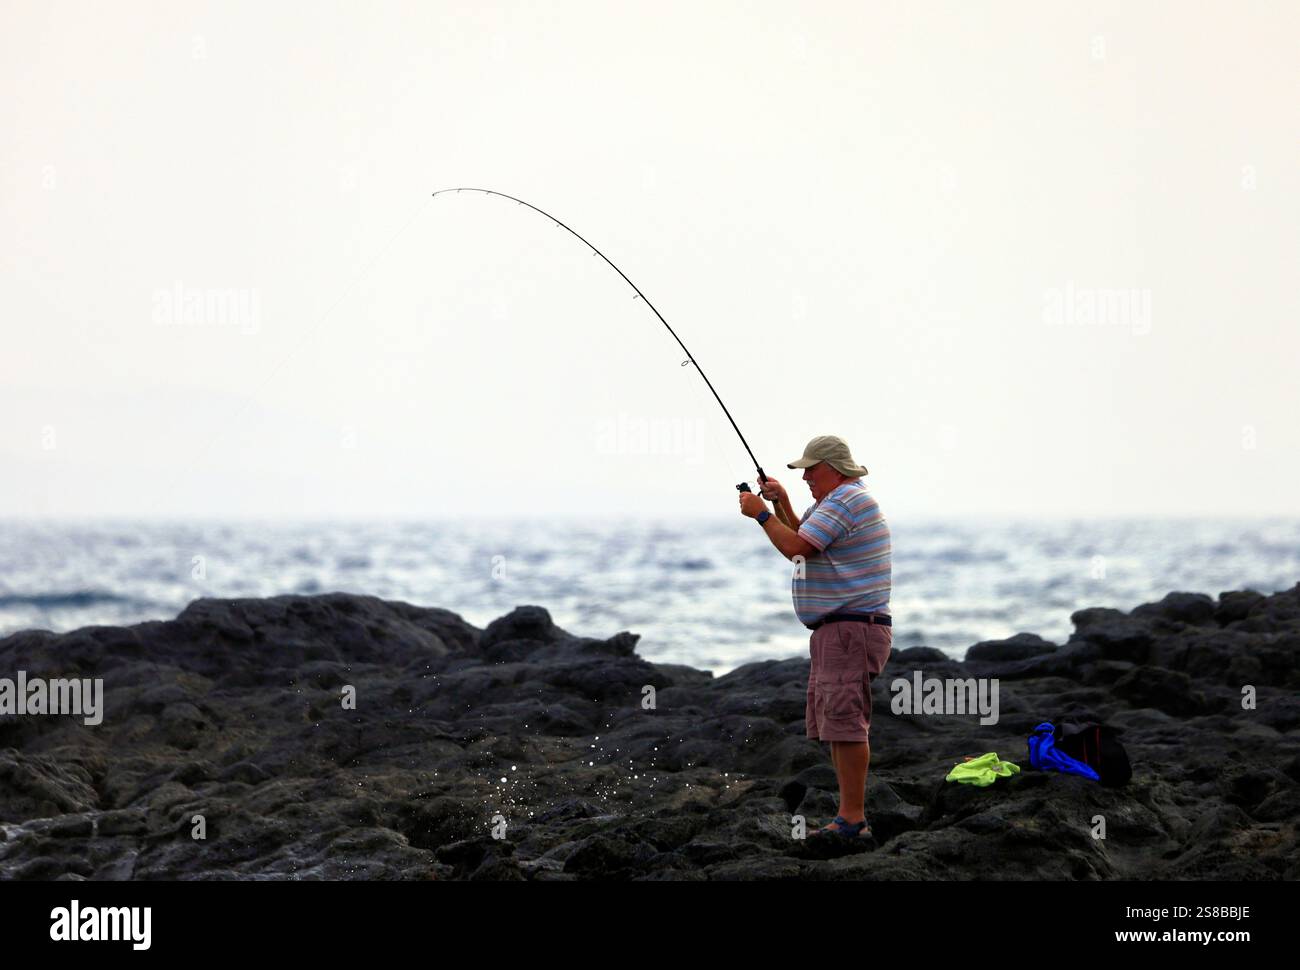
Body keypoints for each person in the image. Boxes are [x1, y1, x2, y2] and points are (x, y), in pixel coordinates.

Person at [737, 434, 892, 840]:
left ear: (834, 469)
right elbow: (808, 537)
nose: (805, 475)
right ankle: (848, 816)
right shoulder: (834, 503)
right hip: (838, 630)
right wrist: (781, 503)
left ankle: (853, 819)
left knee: (846, 723)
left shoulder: (845, 501)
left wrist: (761, 516)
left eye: (811, 468)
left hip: (850, 628)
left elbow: (798, 548)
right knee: (836, 725)